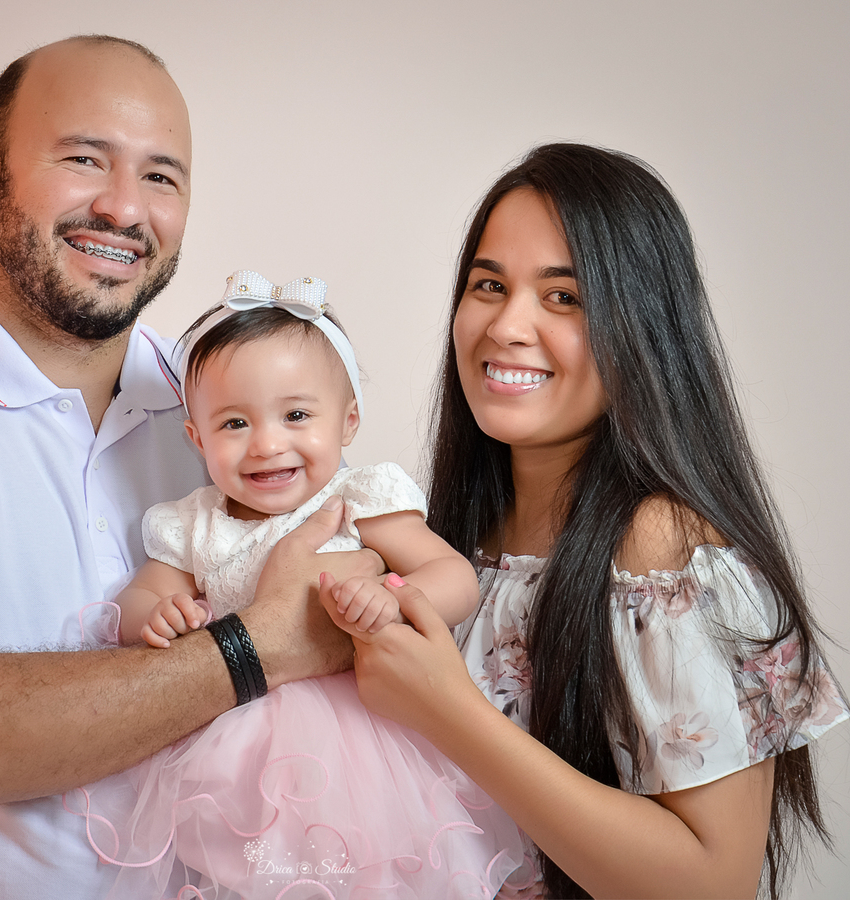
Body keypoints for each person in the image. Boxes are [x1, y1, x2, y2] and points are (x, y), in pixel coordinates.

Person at [0, 36, 377, 899]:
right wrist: (259, 645)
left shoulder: (231, 416)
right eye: (85, 158)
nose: (124, 209)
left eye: (161, 176)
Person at [320, 143, 850, 899]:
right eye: (488, 285)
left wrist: (449, 711)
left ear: (641, 327)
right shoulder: (454, 541)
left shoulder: (658, 548)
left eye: (563, 297)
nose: (507, 325)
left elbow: (713, 882)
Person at [70, 270, 522, 898]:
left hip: (364, 742)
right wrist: (156, 614)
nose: (267, 444)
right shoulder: (195, 523)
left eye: (297, 414)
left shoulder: (359, 499)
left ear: (349, 421)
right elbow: (136, 598)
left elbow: (454, 578)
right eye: (233, 424)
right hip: (233, 746)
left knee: (375, 872)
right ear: (196, 437)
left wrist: (389, 600)